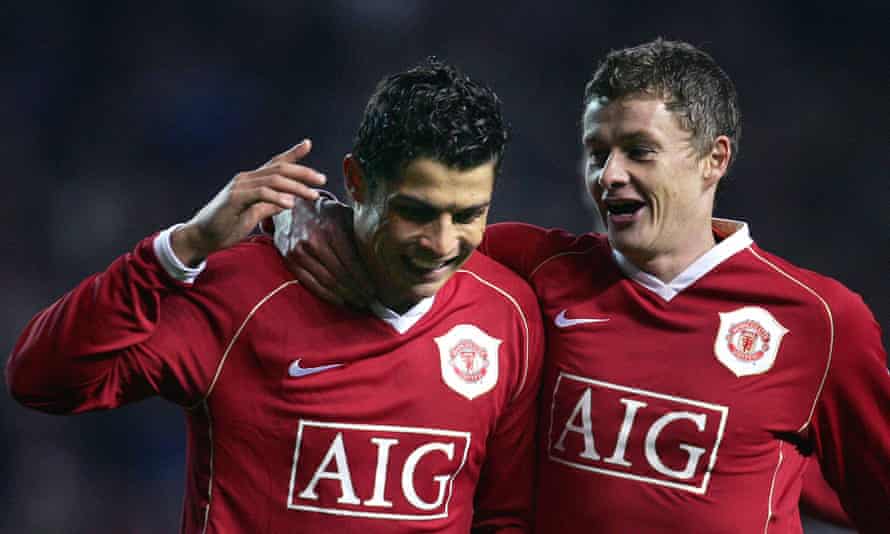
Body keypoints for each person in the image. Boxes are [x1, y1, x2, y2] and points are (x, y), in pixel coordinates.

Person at [283, 39, 890, 533]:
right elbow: (398, 233)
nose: (609, 175)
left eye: (639, 151)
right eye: (596, 152)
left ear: (715, 158)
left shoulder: (818, 321)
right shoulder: (537, 269)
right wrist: (304, 215)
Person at [6, 59, 545, 533]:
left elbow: (503, 516)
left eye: (469, 214)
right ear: (356, 182)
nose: (442, 243)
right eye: (417, 212)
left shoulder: (508, 314)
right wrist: (183, 245)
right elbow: (43, 380)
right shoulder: (242, 295)